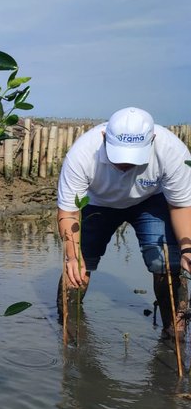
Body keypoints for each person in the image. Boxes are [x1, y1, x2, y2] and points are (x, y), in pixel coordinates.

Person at [57, 107, 191, 338]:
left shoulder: (173, 151)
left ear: (153, 140)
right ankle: (69, 331)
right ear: (103, 138)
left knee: (167, 263)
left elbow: (179, 205)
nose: (126, 165)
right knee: (79, 265)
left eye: (133, 157)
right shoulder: (82, 153)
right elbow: (69, 211)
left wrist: (187, 247)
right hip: (97, 202)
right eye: (120, 155)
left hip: (151, 200)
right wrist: (72, 255)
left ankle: (175, 335)